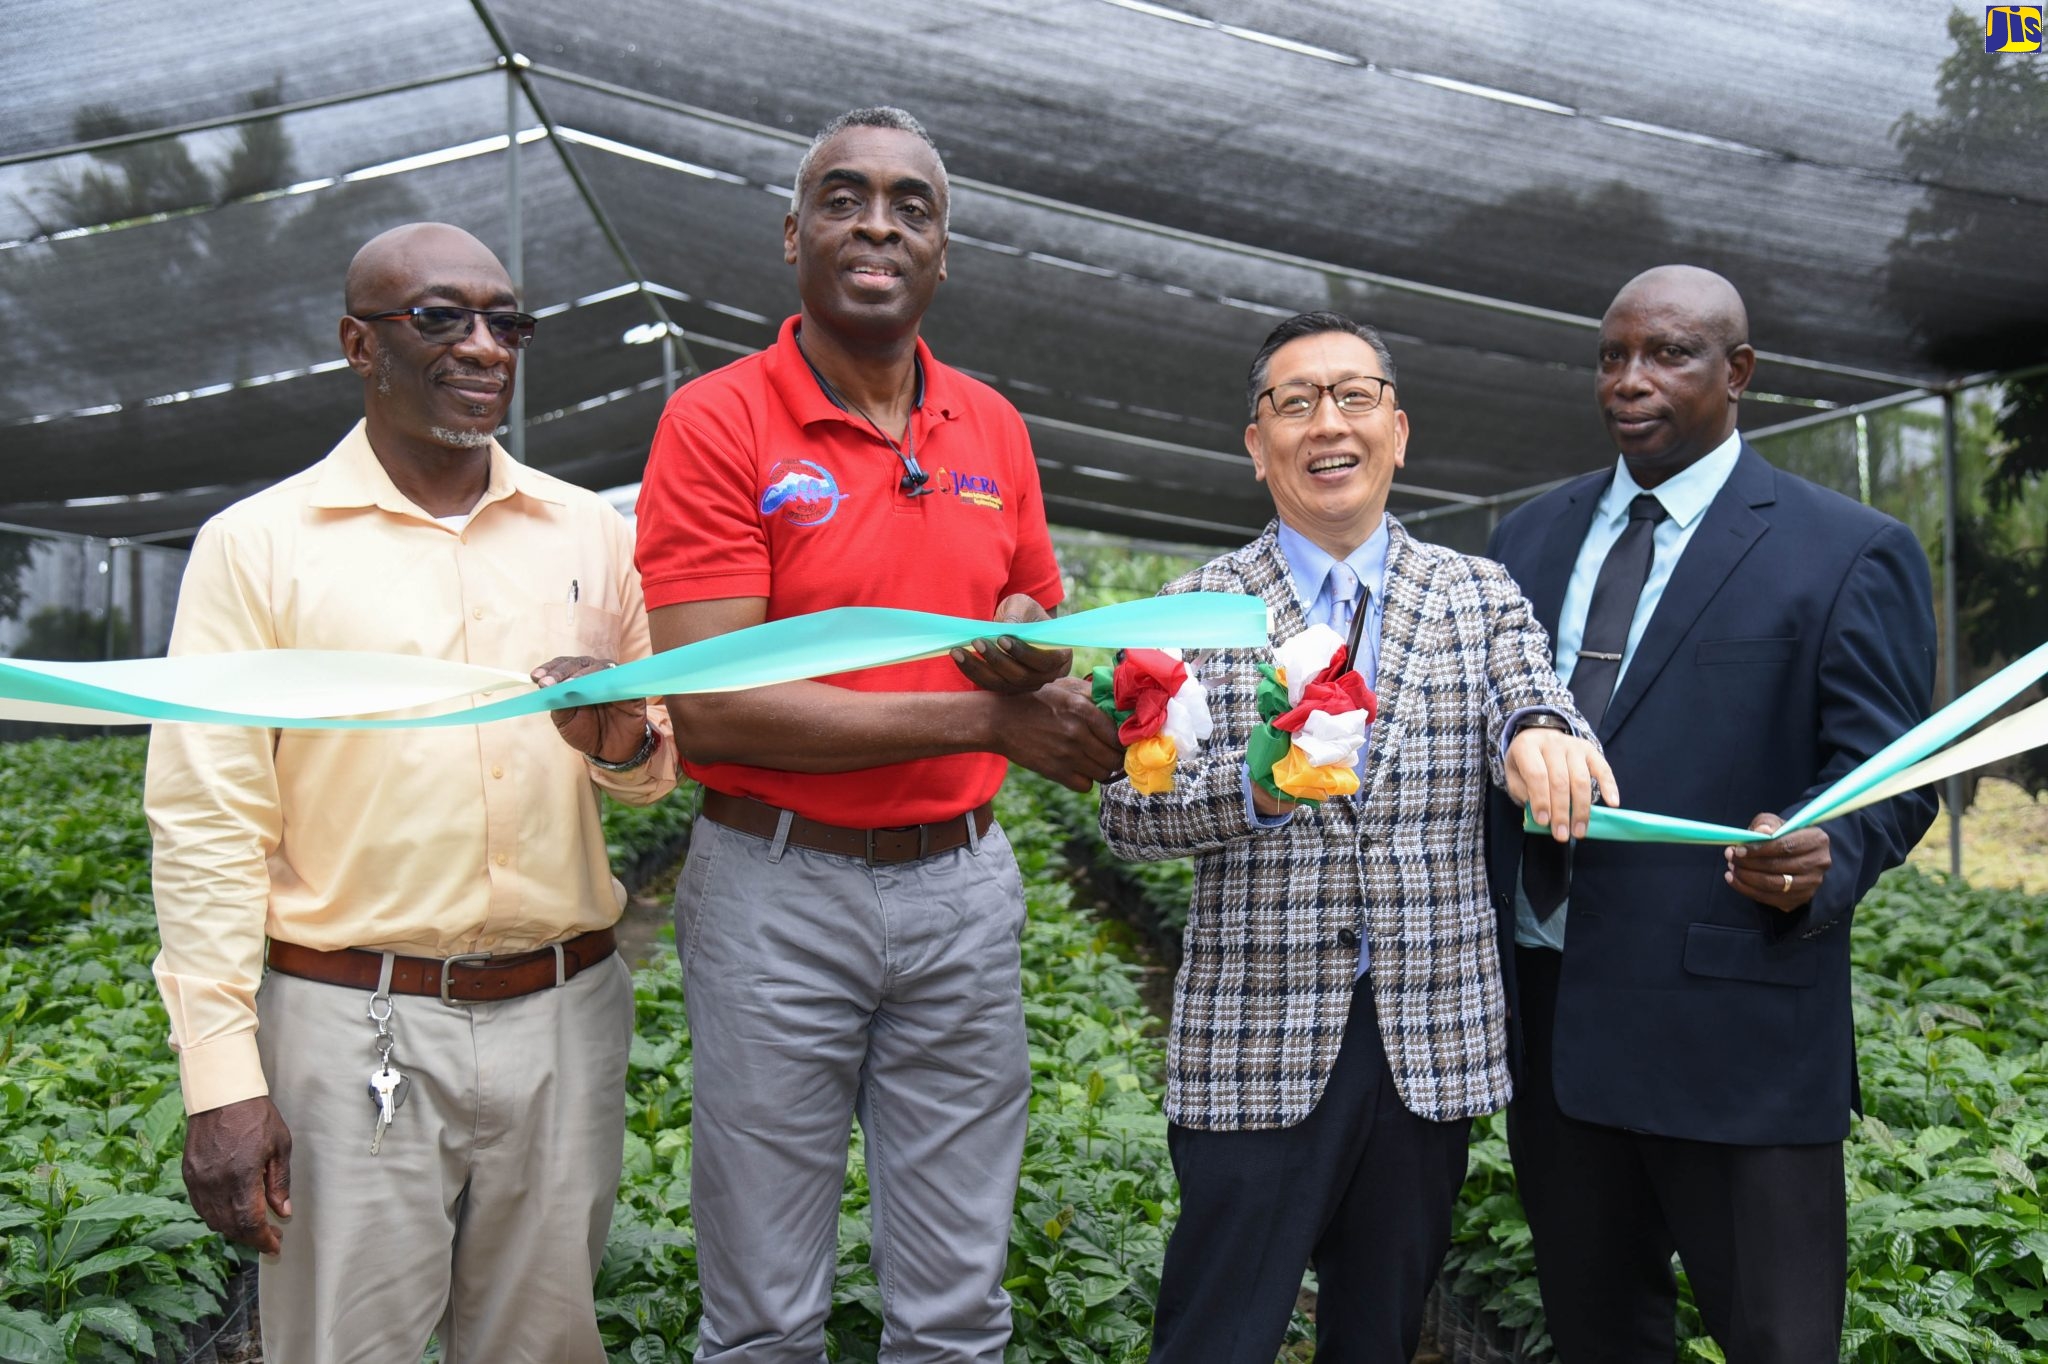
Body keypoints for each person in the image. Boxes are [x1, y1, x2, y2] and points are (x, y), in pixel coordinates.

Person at [632, 107, 1124, 1362]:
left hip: (960, 887)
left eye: (912, 205)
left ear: (941, 252)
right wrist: (991, 715)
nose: (878, 223)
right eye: (843, 197)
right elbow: (714, 703)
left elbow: (1037, 623)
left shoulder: (990, 426)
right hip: (774, 890)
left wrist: (1025, 642)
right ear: (793, 233)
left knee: (957, 1303)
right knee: (762, 1308)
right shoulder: (718, 421)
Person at [146, 222, 677, 1364]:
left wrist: (622, 735)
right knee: (344, 1343)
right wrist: (221, 1081)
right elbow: (204, 819)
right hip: (352, 1022)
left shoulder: (588, 528)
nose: (484, 345)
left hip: (563, 1011)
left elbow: (645, 773)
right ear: (357, 343)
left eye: (505, 321)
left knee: (544, 1342)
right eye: (440, 317)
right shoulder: (259, 546)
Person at [1099, 310, 1613, 1363]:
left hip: (1425, 1043)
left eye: (1353, 396)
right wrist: (1255, 791)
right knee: (1213, 1334)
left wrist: (1537, 737)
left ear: (1397, 428)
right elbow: (1127, 809)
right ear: (1256, 444)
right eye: (1294, 402)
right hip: (1252, 1043)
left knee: (1379, 1334)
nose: (1325, 423)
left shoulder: (1475, 594)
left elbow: (1534, 701)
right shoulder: (1196, 606)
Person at [1484, 265, 1938, 1363]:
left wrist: (1828, 858)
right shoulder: (1524, 540)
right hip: (1554, 1026)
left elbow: (1892, 771)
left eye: (1666, 354)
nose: (1628, 380)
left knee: (1776, 1339)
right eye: (1610, 355)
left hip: (1735, 1032)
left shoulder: (1841, 549)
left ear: (1736, 373)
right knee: (1598, 1335)